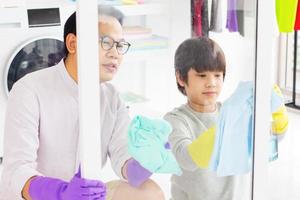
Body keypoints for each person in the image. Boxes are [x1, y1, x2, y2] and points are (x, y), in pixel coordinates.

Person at [0, 5, 165, 200]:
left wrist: (147, 161)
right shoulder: (29, 89)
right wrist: (61, 193)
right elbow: (17, 171)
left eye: (120, 45)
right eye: (105, 42)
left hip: (85, 194)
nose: (115, 54)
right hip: (37, 196)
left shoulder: (112, 98)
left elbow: (123, 156)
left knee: (149, 192)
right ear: (72, 44)